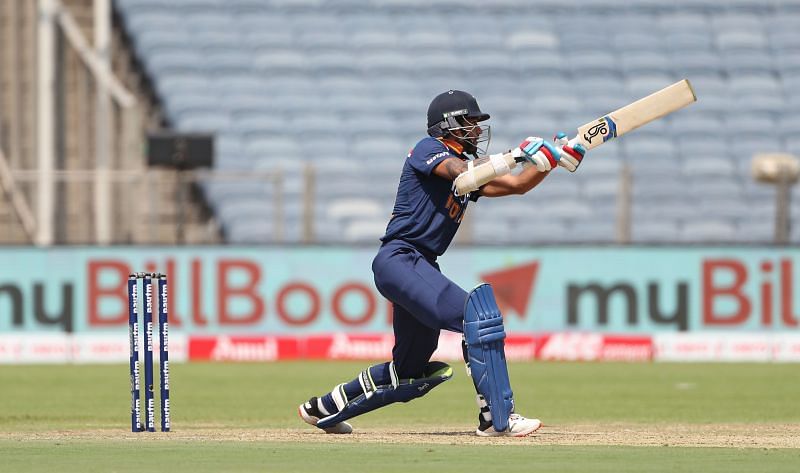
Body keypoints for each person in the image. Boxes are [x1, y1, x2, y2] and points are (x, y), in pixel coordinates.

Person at [298, 90, 586, 437]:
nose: (477, 130)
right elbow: (460, 172)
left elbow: (516, 185)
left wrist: (553, 160)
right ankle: (497, 418)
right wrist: (515, 154)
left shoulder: (469, 171)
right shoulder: (428, 149)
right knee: (478, 316)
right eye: (469, 122)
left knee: (410, 369)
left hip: (420, 264)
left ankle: (324, 407)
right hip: (400, 258)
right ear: (447, 126)